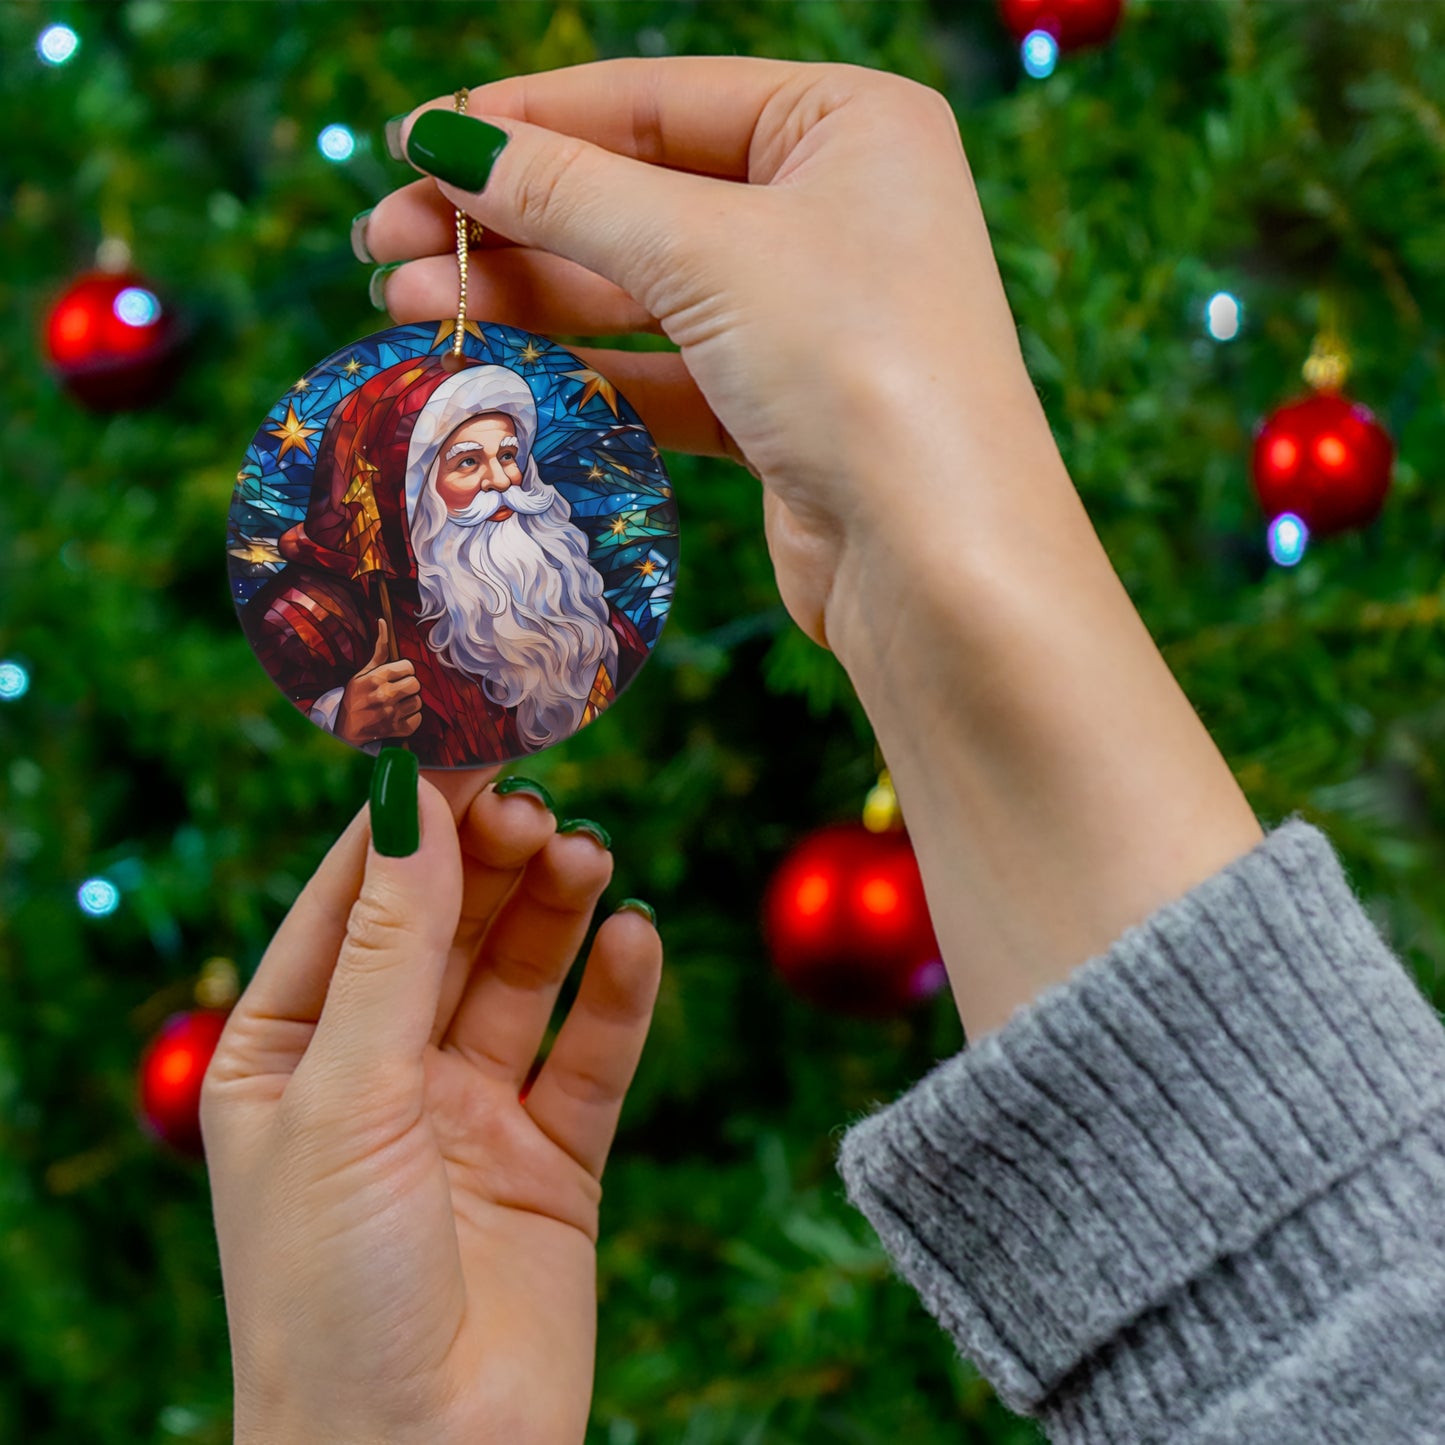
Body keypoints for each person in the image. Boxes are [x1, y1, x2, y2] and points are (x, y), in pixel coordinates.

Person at [200, 55, 1445, 1445]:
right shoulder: (378, 629)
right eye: (464, 470)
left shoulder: (568, 588)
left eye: (510, 464)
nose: (497, 489)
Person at [243, 357, 648, 764]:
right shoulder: (308, 616)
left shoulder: (559, 589)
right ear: (405, 493)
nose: (503, 480)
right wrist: (342, 721)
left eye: (508, 455)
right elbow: (272, 749)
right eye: (468, 462)